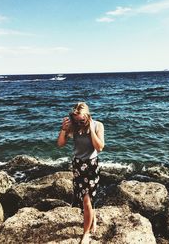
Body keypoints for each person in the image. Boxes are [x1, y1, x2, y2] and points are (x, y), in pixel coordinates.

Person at [57, 102, 105, 244]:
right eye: (75, 119)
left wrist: (90, 128)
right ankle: (93, 219)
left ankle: (86, 234)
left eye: (81, 120)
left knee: (86, 199)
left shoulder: (98, 125)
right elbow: (60, 144)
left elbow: (100, 147)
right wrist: (64, 130)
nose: (79, 122)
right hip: (78, 165)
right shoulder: (74, 126)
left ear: (88, 116)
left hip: (91, 166)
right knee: (84, 199)